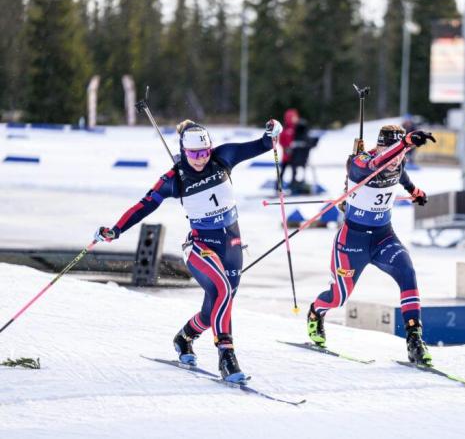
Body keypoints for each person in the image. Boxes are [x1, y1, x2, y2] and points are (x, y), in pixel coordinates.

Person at [94, 118, 282, 382]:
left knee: (215, 308)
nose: (200, 159)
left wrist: (273, 132)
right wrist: (116, 229)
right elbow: (144, 205)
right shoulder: (174, 179)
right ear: (183, 151)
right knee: (223, 290)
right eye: (194, 154)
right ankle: (227, 357)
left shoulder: (223, 157)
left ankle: (184, 338)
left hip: (232, 243)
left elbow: (263, 144)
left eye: (204, 152)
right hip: (200, 246)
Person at [306, 125, 436, 365]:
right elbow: (379, 164)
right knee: (339, 296)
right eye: (395, 153)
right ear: (383, 147)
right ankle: (316, 311)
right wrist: (405, 143)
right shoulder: (361, 163)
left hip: (383, 237)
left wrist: (415, 191)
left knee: (407, 273)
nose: (399, 160)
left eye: (402, 156)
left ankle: (414, 340)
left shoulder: (398, 161)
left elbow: (401, 175)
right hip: (352, 241)